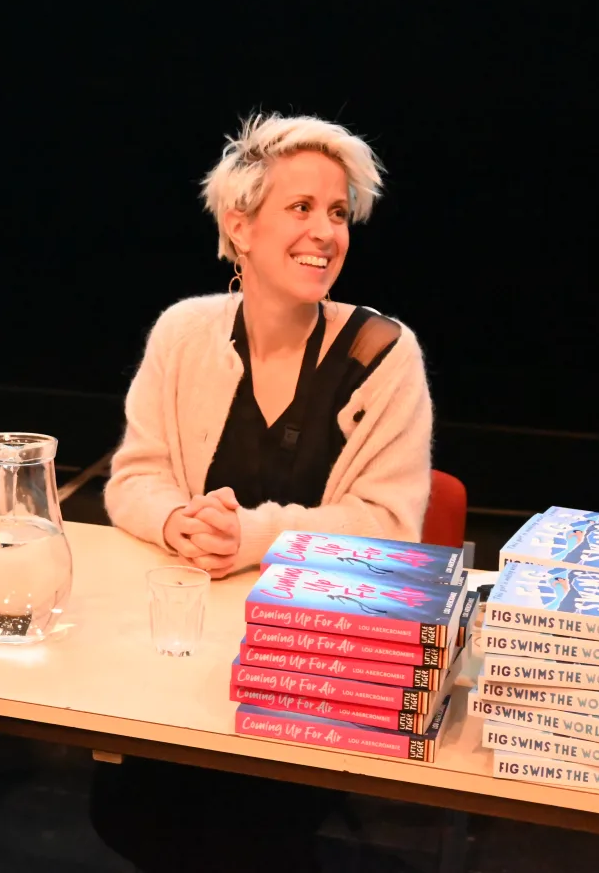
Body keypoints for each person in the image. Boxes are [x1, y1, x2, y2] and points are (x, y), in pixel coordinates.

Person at [93, 112, 434, 872]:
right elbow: (133, 480)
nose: (326, 231)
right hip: (184, 658)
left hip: (310, 668)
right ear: (239, 226)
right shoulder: (183, 332)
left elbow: (388, 526)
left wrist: (247, 535)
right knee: (129, 812)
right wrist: (179, 520)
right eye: (301, 208)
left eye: (339, 212)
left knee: (247, 833)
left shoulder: (384, 353)